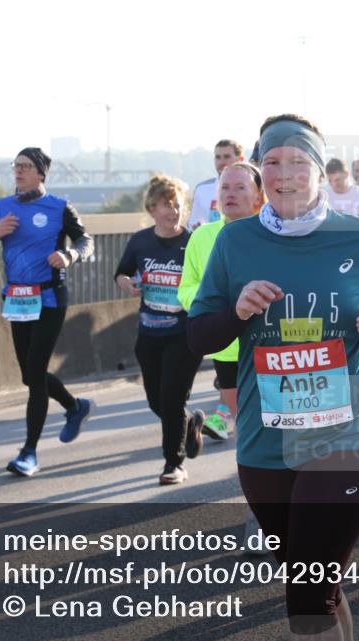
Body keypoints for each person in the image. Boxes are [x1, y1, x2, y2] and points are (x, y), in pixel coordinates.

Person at [187, 113, 359, 641]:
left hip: (348, 437)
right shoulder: (234, 240)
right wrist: (237, 311)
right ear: (259, 171)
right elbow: (198, 332)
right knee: (315, 581)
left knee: (306, 599)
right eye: (272, 162)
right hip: (267, 444)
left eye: (297, 162)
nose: (284, 173)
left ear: (318, 170)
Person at [0, 147, 95, 476]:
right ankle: (75, 406)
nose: (19, 171)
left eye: (26, 167)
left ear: (41, 173)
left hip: (50, 298)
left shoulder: (58, 207)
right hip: (17, 299)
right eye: (16, 165)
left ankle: (29, 452)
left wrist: (69, 256)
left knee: (36, 372)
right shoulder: (2, 207)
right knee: (30, 375)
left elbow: (86, 242)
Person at [115, 174, 206, 485]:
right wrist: (126, 282)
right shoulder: (140, 241)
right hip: (149, 333)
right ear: (152, 208)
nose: (173, 211)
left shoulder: (194, 241)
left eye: (178, 205)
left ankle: (173, 463)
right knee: (157, 400)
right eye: (167, 206)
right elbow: (123, 272)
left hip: (185, 333)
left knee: (171, 395)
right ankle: (190, 421)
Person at [179, 163, 266, 440]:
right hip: (225, 346)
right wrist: (214, 303)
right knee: (246, 425)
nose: (231, 193)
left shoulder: (272, 235)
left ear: (258, 196)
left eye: (240, 187)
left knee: (275, 421)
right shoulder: (202, 236)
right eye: (225, 187)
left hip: (266, 342)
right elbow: (186, 288)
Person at [186, 139, 243, 232]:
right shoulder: (201, 189)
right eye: (218, 157)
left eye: (227, 157)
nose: (222, 162)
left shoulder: (252, 188)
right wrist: (196, 229)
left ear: (240, 159)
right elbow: (192, 225)